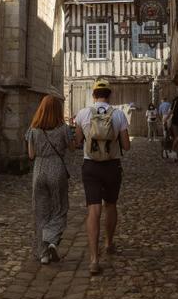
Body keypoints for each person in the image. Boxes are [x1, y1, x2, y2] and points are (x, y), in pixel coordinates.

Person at [74, 79, 131, 274]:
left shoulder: (83, 113)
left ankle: (93, 259)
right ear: (110, 94)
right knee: (111, 205)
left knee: (93, 210)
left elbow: (78, 141)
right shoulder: (119, 114)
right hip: (112, 166)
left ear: (94, 95)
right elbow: (126, 145)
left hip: (90, 166)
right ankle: (108, 243)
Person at [25, 95, 72, 264]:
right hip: (57, 170)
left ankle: (43, 255)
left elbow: (31, 155)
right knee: (60, 208)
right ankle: (52, 240)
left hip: (39, 171)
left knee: (40, 212)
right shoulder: (63, 129)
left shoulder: (33, 130)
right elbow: (72, 147)